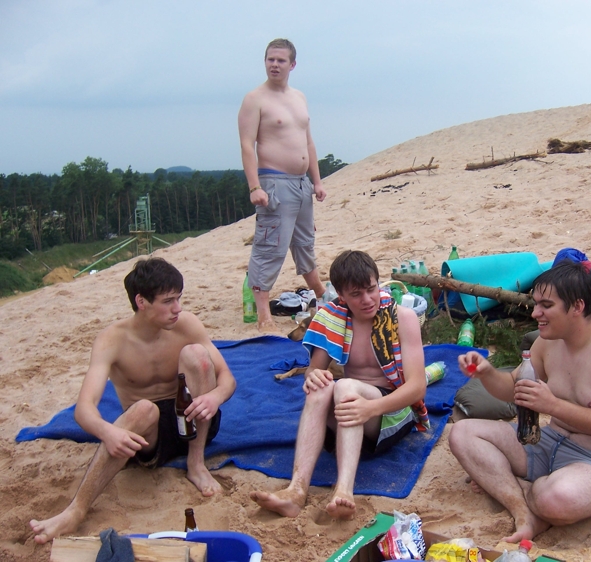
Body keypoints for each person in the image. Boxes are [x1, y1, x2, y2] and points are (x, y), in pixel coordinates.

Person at [29, 257, 236, 544]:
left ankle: (196, 463)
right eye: (168, 301)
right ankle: (76, 510)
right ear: (141, 302)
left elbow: (227, 378)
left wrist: (214, 396)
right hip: (148, 435)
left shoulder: (186, 324)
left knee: (198, 356)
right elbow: (84, 408)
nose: (177, 308)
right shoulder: (112, 340)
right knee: (143, 409)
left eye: (179, 298)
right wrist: (107, 431)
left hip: (195, 418)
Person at [449, 261, 591, 543]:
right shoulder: (549, 340)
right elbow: (513, 390)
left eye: (546, 305)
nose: (535, 313)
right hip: (550, 443)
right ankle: (523, 510)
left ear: (577, 306)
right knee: (462, 433)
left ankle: (514, 486)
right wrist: (487, 372)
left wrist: (552, 405)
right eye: (536, 304)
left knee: (557, 499)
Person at [249, 250, 429, 520]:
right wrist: (312, 376)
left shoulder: (402, 318)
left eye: (371, 289)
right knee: (323, 385)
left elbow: (416, 387)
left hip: (388, 411)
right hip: (350, 414)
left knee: (345, 387)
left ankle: (343, 489)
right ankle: (296, 490)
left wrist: (371, 408)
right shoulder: (333, 317)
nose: (367, 300)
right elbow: (315, 369)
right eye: (356, 294)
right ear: (341, 296)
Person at [238, 37, 326, 332]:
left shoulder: (299, 97)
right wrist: (254, 187)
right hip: (273, 182)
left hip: (302, 184)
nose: (274, 65)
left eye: (280, 60)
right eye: (270, 59)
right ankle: (263, 312)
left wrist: (317, 181)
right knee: (270, 246)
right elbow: (247, 145)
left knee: (304, 242)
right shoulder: (255, 99)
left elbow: (308, 142)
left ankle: (320, 293)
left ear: (292, 64)